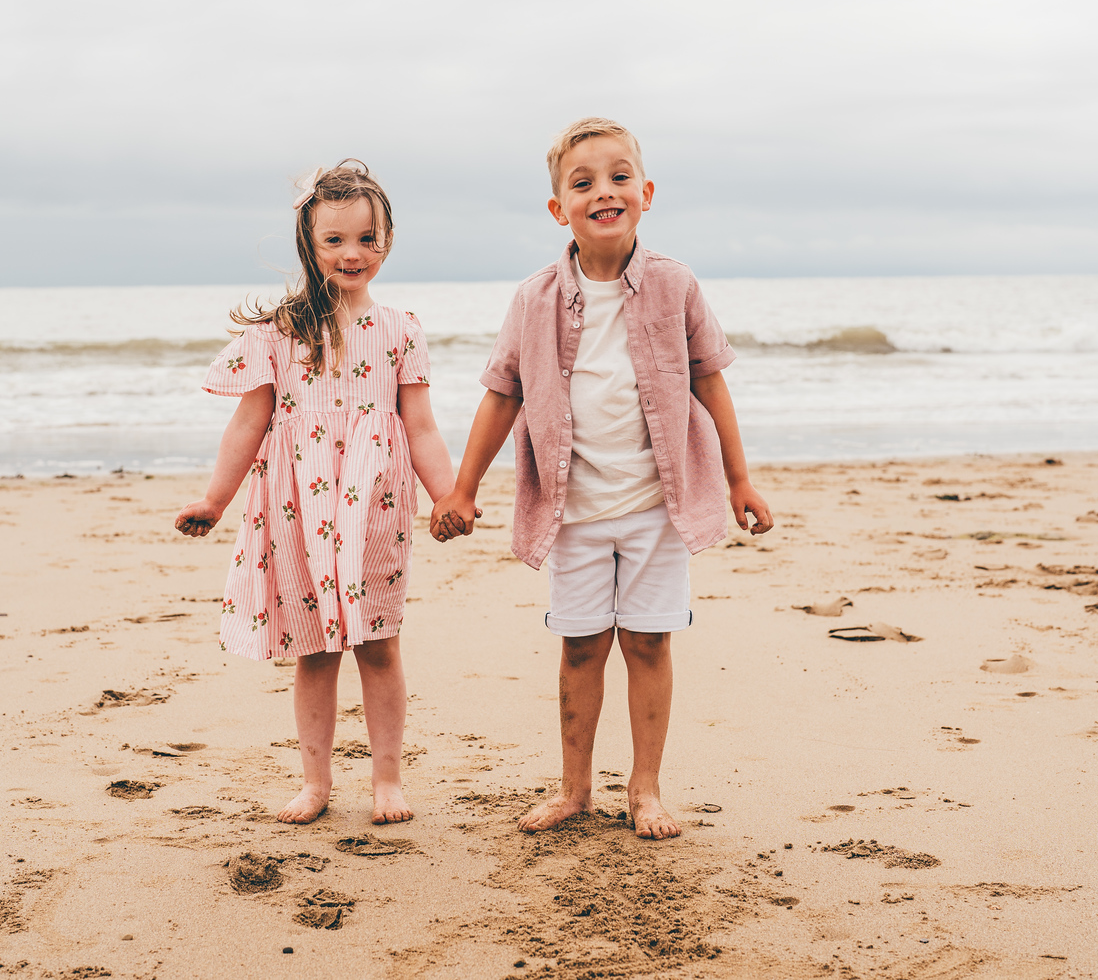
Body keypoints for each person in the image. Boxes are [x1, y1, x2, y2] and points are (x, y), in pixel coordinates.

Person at [430, 118, 774, 840]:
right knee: (581, 645)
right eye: (583, 183)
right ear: (559, 209)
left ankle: (645, 789)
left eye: (619, 177)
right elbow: (502, 393)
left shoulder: (676, 284)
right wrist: (463, 489)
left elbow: (711, 382)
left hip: (657, 506)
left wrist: (740, 481)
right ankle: (574, 789)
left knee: (648, 642)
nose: (604, 192)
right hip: (574, 510)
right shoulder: (534, 298)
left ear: (646, 193)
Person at [175, 160, 456, 826]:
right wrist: (215, 500)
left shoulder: (401, 329)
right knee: (316, 649)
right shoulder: (281, 332)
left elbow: (420, 425)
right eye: (334, 239)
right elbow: (249, 422)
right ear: (310, 242)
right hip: (297, 503)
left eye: (366, 238)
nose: (351, 253)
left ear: (387, 241)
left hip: (375, 505)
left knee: (379, 643)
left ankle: (387, 780)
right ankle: (315, 781)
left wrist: (449, 495)